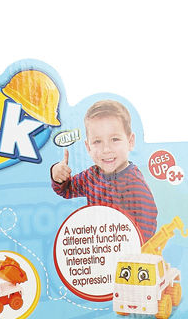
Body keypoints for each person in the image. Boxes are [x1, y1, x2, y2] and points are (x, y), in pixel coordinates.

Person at [50, 100, 159, 244]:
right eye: (97, 141)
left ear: (130, 142)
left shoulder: (134, 183)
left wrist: (131, 247)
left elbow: (149, 221)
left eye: (115, 139)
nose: (106, 149)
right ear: (88, 147)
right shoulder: (91, 176)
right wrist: (57, 175)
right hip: (99, 246)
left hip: (126, 250)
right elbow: (67, 190)